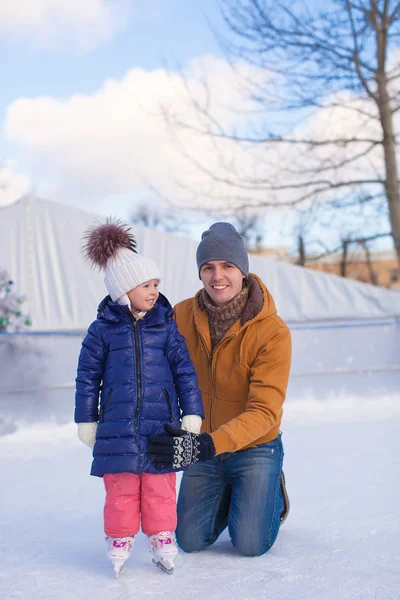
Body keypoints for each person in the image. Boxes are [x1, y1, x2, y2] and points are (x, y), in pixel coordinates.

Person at [148, 222, 291, 557]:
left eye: (228, 266)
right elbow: (151, 368)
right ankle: (235, 493)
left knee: (250, 544)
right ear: (200, 273)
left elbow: (265, 411)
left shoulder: (272, 331)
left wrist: (209, 444)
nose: (218, 276)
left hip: (255, 447)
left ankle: (269, 487)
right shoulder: (178, 316)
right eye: (208, 267)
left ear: (243, 271)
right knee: (189, 540)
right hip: (203, 445)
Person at [74, 219, 204, 576]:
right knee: (121, 488)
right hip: (117, 427)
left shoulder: (166, 326)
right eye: (145, 285)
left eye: (155, 284)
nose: (152, 291)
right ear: (123, 290)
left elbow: (185, 372)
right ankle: (119, 538)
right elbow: (87, 378)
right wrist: (86, 419)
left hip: (161, 425)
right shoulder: (101, 330)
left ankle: (162, 536)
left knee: (160, 485)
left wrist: (192, 412)